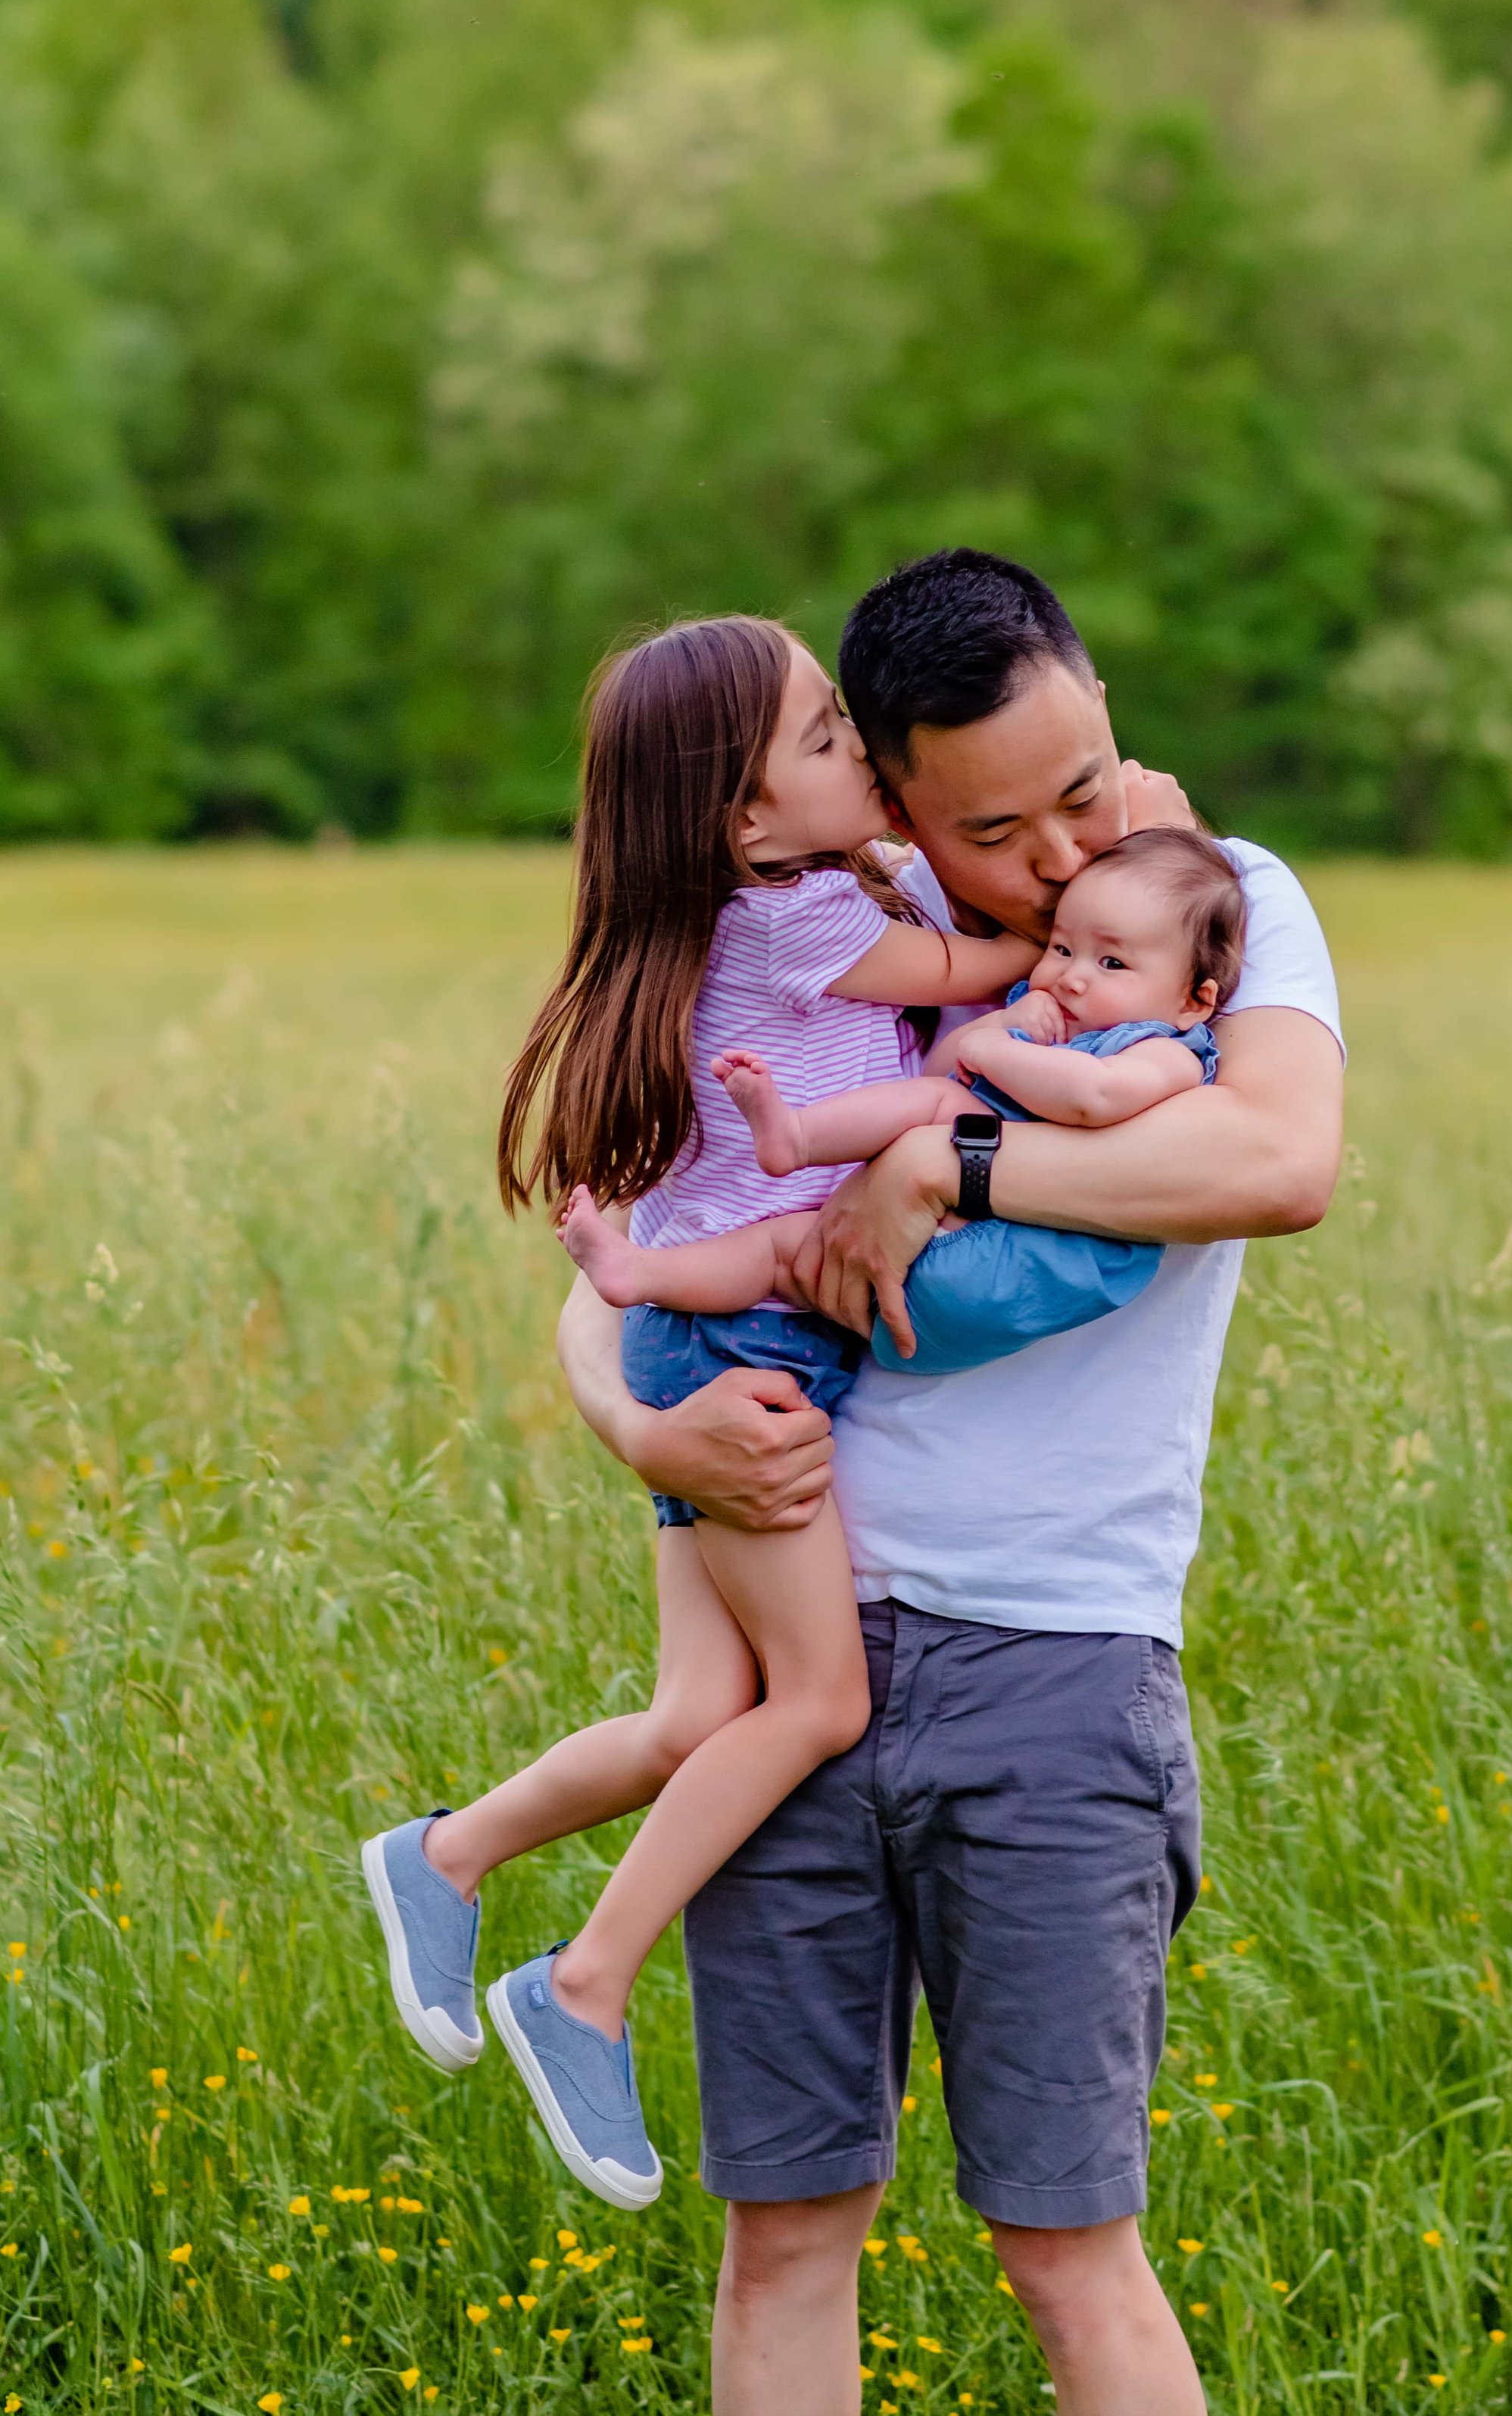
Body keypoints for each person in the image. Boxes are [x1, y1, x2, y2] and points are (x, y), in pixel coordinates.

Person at [556, 550, 1346, 2416]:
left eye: (1088, 786)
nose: (1069, 858)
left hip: (1055, 1664)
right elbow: (642, 1264)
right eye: (1001, 828)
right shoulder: (838, 925)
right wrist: (644, 1434)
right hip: (793, 1658)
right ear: (894, 806)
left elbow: (1272, 1158)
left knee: (1066, 2247)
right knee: (786, 2225)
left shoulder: (1219, 907)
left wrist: (947, 1174)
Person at [360, 613, 1035, 2210]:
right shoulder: (793, 920)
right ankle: (581, 1981)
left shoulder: (806, 890)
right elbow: (992, 963)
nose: (858, 753)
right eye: (822, 739)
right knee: (814, 1707)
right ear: (740, 824)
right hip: (752, 1362)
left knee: (688, 1718)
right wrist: (1111, 870)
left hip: (696, 1343)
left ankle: (443, 1856)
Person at [561, 823, 1245, 1375]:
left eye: (1112, 963)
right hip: (909, 1273)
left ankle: (796, 1141)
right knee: (783, 1247)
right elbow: (947, 1070)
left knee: (942, 1108)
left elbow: (1093, 1100)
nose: (1070, 977)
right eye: (1061, 946)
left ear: (1195, 999)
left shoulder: (1168, 1049)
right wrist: (994, 1028)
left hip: (1012, 1259)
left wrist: (997, 1049)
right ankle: (653, 1263)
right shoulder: (1039, 1020)